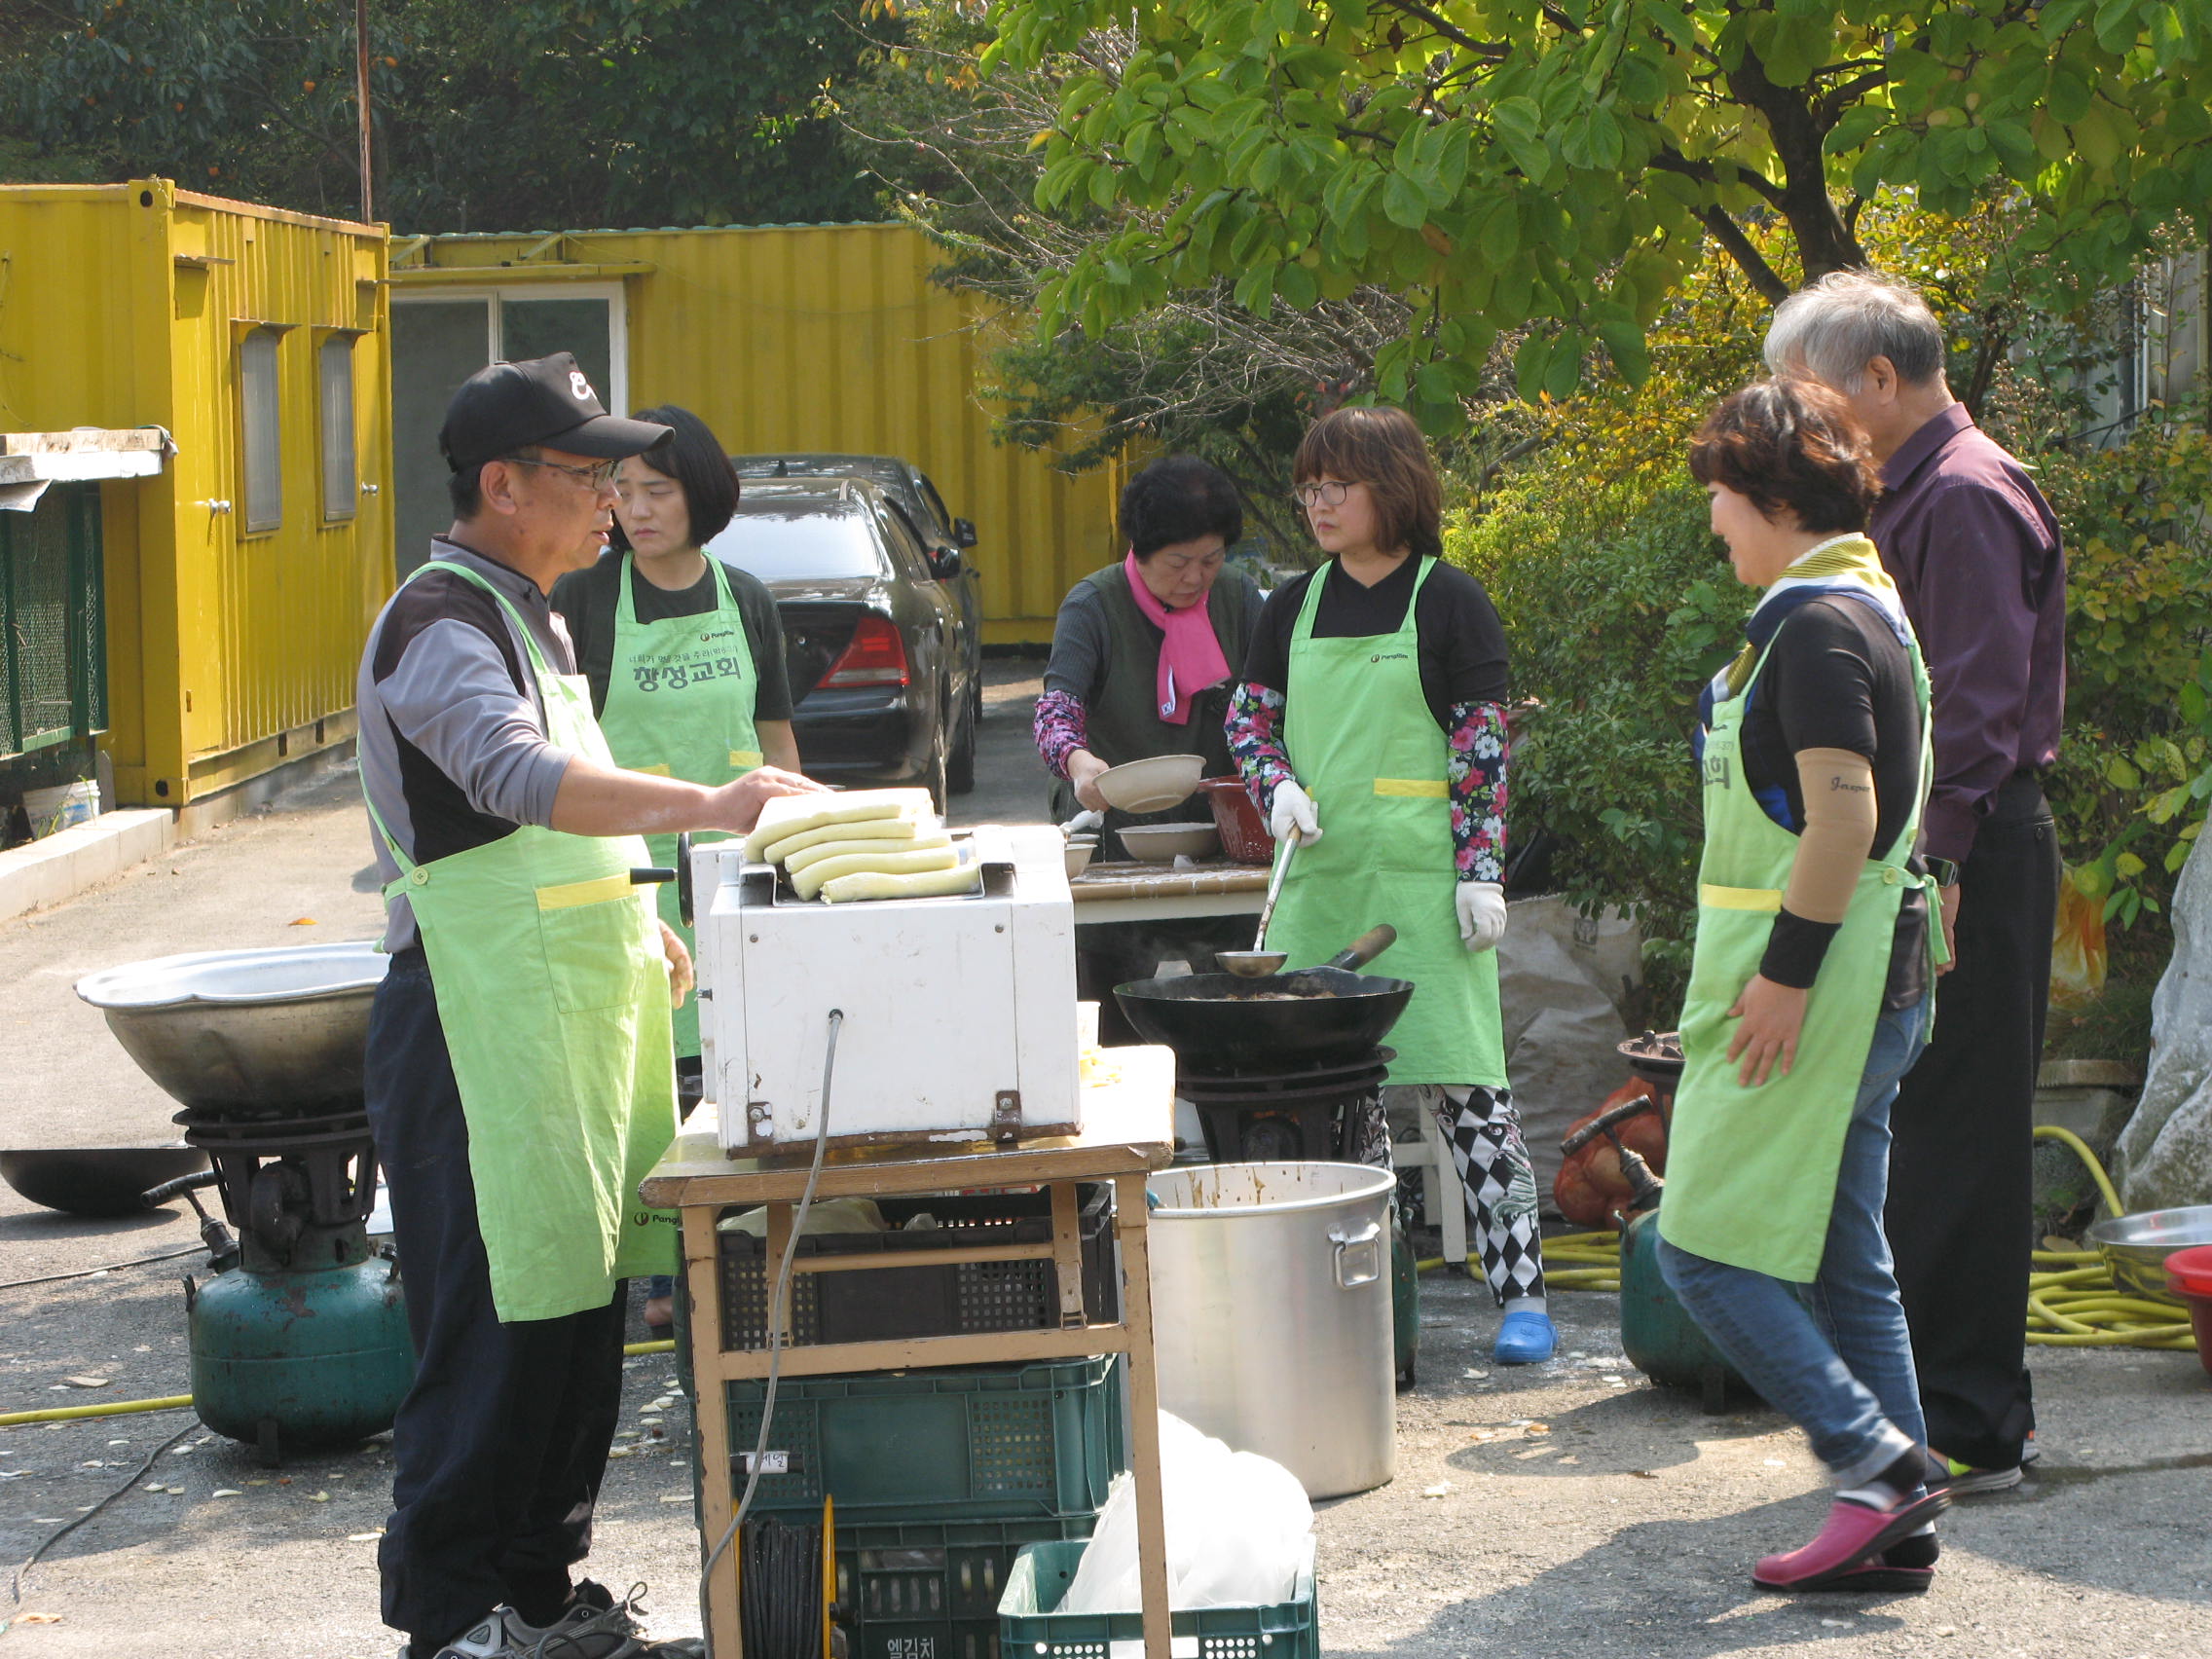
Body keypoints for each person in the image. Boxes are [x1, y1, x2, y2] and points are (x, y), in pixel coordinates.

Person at [357, 352, 825, 1659]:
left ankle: (539, 1595)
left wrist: (636, 912)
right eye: (586, 475)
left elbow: (560, 827)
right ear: (505, 487)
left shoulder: (540, 619)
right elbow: (513, 778)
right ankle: (454, 1618)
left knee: (572, 1320)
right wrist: (712, 804)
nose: (613, 500)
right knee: (489, 1327)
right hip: (469, 1025)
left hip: (559, 1012)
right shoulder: (437, 621)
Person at [1766, 271, 2065, 1493]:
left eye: (1810, 395)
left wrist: (1937, 860)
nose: (1800, 423)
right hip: (1925, 847)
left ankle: (1971, 1423)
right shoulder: (1907, 493)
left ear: (1880, 380)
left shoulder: (1966, 494)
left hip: (1968, 847)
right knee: (1908, 1130)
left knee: (1959, 1136)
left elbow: (1979, 703)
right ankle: (1915, 1413)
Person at [1659, 377, 1947, 1591]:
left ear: (1775, 499)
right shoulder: (1858, 606)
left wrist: (1781, 980)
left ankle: (1873, 1464)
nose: (1713, 518)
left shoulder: (1819, 627)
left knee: (1698, 1251)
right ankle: (1900, 1517)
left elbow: (1843, 819)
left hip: (1812, 990)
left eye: (1722, 494)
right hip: (1871, 977)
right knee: (1841, 1253)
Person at [1226, 405, 1555, 1366]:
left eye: (1338, 486)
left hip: (1428, 887)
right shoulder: (1291, 606)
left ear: (1393, 488)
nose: (1317, 504)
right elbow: (1247, 721)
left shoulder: (1450, 601)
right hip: (1321, 883)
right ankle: (1371, 1306)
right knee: (1345, 1105)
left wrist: (1481, 872)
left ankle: (1523, 1299)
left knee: (1471, 1094)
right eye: (1309, 488)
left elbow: (1481, 750)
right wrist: (1276, 786)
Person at [551, 404, 801, 1334]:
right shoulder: (583, 599)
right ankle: (661, 1268)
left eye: (657, 491)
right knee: (649, 1070)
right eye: (621, 490)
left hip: (740, 871)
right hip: (632, 873)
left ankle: (743, 1249)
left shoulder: (748, 599)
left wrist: (810, 845)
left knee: (744, 1061)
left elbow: (777, 746)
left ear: (703, 496)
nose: (636, 509)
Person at [1034, 456, 1267, 1022]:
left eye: (1211, 559)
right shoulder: (1093, 606)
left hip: (1221, 840)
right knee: (1113, 1015)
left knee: (1235, 1010)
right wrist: (1078, 761)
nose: (1195, 578)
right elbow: (1056, 710)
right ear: (1138, 550)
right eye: (1178, 562)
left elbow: (1275, 705)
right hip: (1114, 840)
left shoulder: (1238, 599)